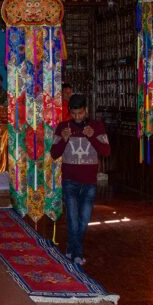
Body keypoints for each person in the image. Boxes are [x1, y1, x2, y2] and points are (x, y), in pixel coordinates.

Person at [50, 94, 110, 266]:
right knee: (72, 218)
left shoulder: (97, 126)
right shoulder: (63, 127)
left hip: (89, 181)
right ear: (70, 112)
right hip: (70, 180)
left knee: (84, 220)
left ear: (86, 110)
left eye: (81, 113)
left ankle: (71, 247)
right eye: (74, 114)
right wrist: (63, 139)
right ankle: (77, 253)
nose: (77, 117)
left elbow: (106, 152)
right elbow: (54, 154)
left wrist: (92, 137)